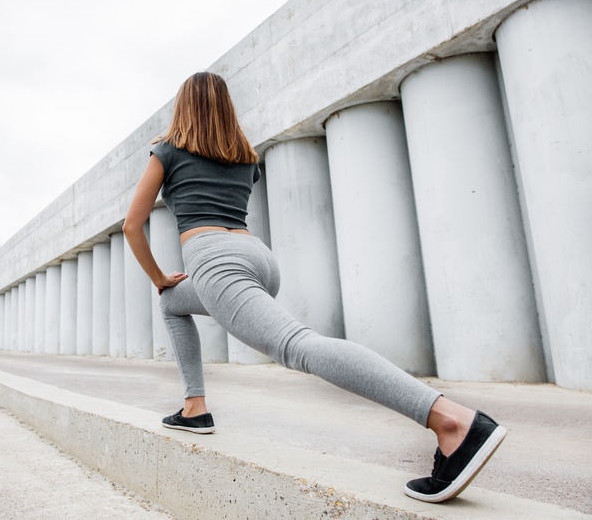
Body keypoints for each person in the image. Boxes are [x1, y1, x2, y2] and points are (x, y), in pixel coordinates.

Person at [122, 71, 505, 503]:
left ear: (182, 106)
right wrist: (169, 286)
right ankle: (195, 407)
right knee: (174, 302)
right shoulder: (245, 157)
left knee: (300, 346)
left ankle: (451, 421)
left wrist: (157, 277)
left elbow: (132, 226)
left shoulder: (167, 151)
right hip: (257, 258)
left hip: (214, 260)